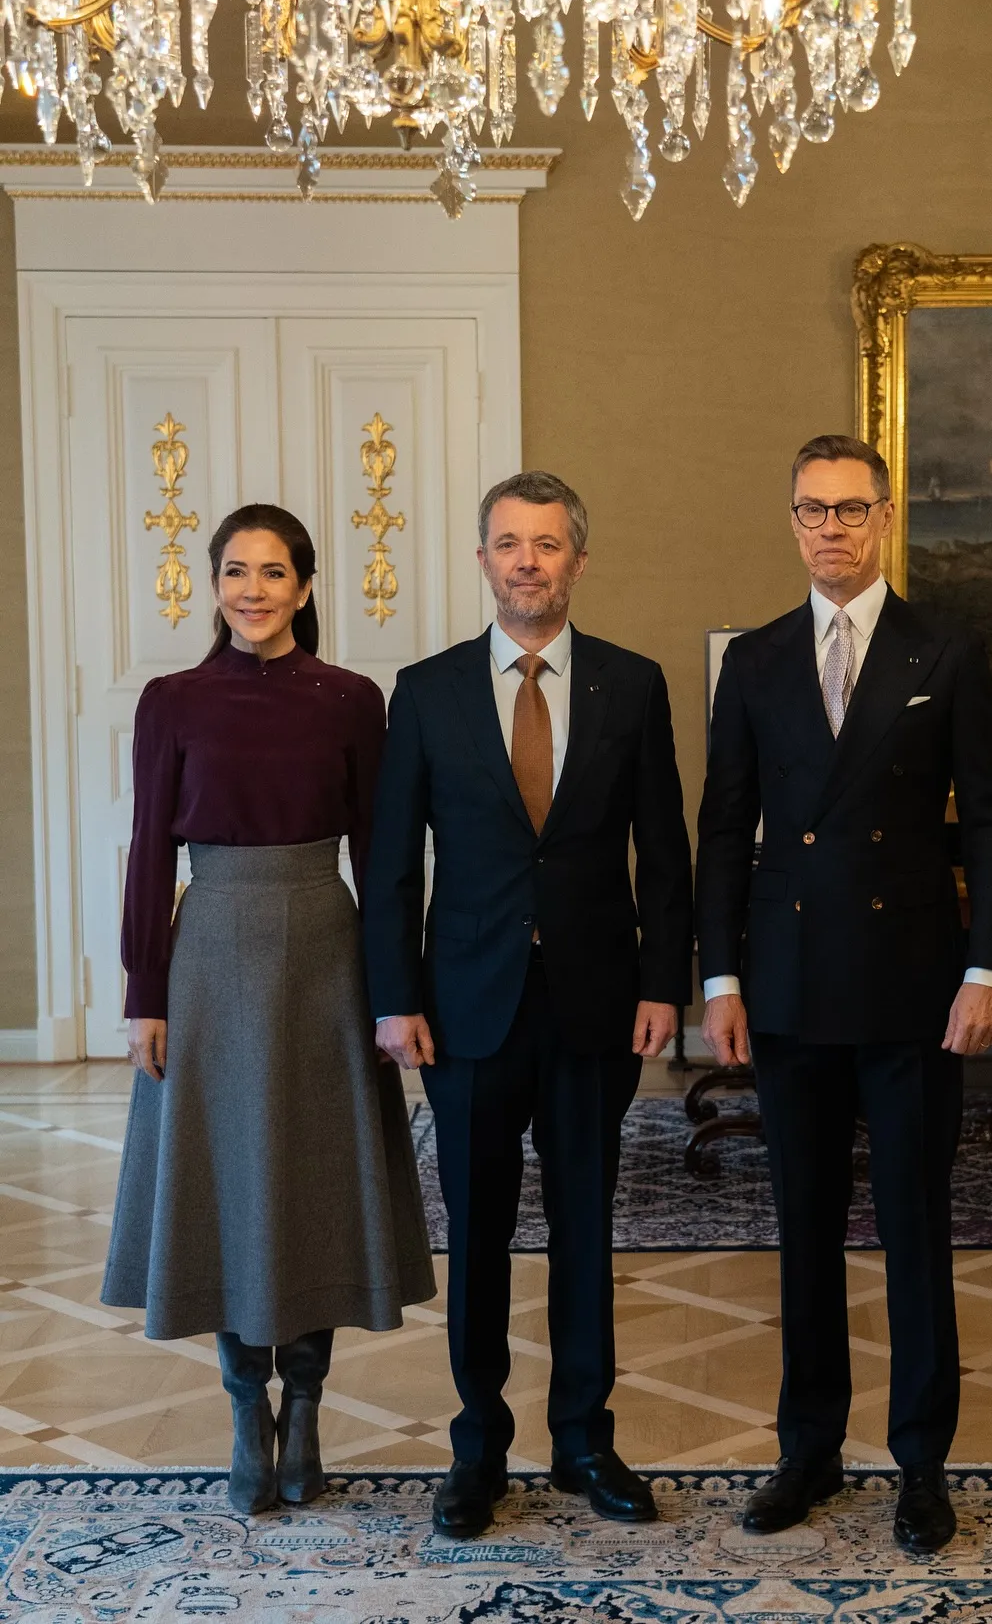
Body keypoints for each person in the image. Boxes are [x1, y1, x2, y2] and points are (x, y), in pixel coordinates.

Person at [695, 434, 992, 1551]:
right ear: (790, 521)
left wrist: (987, 966)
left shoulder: (946, 645)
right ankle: (809, 1450)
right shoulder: (757, 658)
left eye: (849, 508)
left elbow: (989, 818)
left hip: (914, 988)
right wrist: (721, 973)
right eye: (810, 509)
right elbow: (721, 830)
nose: (830, 527)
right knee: (804, 1230)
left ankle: (922, 1461)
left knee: (918, 1228)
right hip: (785, 988)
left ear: (883, 519)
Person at [365, 470, 692, 1539]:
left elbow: (667, 851)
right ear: (482, 559)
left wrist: (662, 981)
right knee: (482, 1232)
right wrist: (394, 997)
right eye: (509, 543)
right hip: (463, 1008)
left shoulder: (632, 686)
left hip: (598, 1002)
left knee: (589, 1230)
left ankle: (585, 1440)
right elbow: (392, 860)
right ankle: (477, 1446)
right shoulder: (427, 690)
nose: (527, 562)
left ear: (578, 561)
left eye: (547, 544)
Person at [102, 504, 435, 1515]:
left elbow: (385, 860)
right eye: (235, 571)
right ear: (214, 586)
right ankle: (249, 1416)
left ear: (305, 585)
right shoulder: (171, 700)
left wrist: (395, 993)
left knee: (313, 1186)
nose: (253, 589)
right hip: (208, 955)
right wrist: (143, 991)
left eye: (274, 572)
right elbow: (150, 850)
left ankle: (310, 1409)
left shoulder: (350, 698)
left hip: (327, 952)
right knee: (228, 1187)